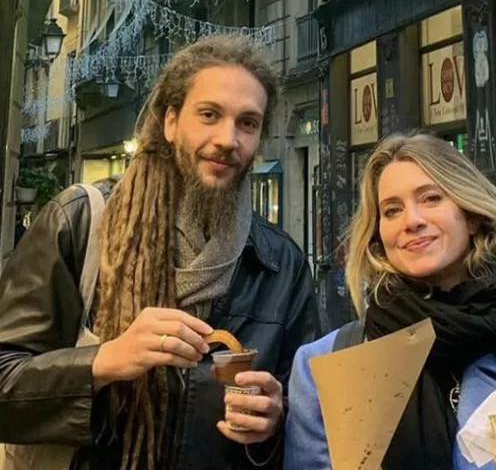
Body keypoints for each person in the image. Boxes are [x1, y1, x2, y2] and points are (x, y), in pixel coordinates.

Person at [0, 35, 319, 469]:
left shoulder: (282, 264)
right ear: (170, 121)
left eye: (247, 123)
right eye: (209, 115)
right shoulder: (80, 223)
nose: (228, 139)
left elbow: (310, 428)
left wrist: (274, 424)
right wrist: (103, 361)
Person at [284, 131, 496, 470]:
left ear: (472, 215)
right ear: (378, 235)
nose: (412, 221)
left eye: (431, 198)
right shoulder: (326, 365)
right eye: (392, 210)